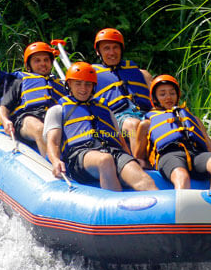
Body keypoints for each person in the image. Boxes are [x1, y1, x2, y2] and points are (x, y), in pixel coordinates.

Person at [44, 62, 158, 192]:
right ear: (69, 84)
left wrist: (129, 158)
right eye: (78, 83)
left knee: (142, 178)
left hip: (113, 151)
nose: (83, 88)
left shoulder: (105, 109)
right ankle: (116, 206)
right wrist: (55, 161)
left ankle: (162, 208)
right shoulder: (58, 110)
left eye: (88, 84)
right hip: (80, 154)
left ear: (93, 86)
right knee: (105, 160)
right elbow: (53, 141)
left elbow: (119, 138)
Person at [140, 74, 211, 190]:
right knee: (182, 176)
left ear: (177, 95)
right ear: (155, 98)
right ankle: (183, 206)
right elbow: (139, 156)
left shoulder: (194, 120)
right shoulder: (146, 124)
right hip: (169, 155)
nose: (168, 97)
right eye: (162, 94)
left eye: (172, 93)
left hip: (196, 154)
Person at [91, 28, 153, 161]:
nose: (112, 52)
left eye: (115, 47)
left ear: (121, 49)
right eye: (106, 48)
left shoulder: (141, 73)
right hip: (117, 118)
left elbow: (157, 100)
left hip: (145, 112)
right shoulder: (90, 76)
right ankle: (140, 162)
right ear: (99, 52)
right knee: (133, 124)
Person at [0, 42, 66, 155]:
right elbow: (3, 108)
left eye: (46, 60)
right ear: (28, 66)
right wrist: (5, 121)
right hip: (27, 118)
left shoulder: (60, 86)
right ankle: (51, 166)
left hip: (53, 119)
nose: (43, 63)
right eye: (37, 60)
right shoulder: (19, 82)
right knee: (40, 129)